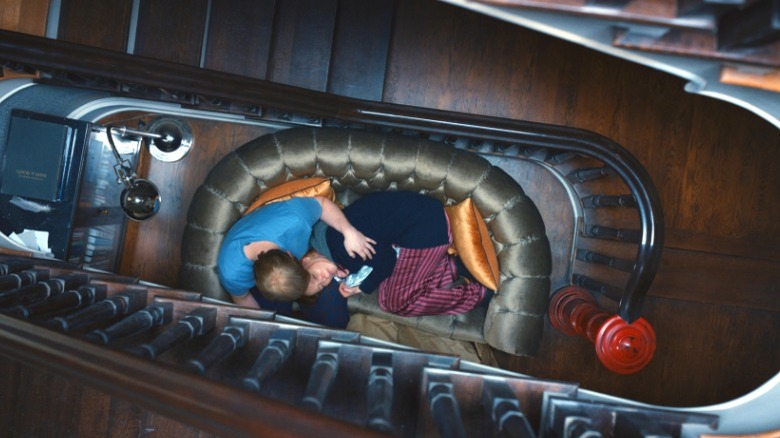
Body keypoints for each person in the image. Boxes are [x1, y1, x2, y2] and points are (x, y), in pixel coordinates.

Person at [298, 191, 489, 318]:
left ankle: (477, 294)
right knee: (392, 287)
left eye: (314, 277)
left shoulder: (340, 247)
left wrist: (362, 287)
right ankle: (450, 268)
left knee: (392, 302)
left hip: (426, 231)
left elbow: (387, 260)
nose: (324, 279)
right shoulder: (326, 234)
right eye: (321, 285)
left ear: (305, 259)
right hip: (425, 222)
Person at [216, 196, 375, 311]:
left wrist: (349, 231)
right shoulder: (233, 274)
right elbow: (242, 298)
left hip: (282, 226)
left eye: (312, 278)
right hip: (260, 282)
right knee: (277, 316)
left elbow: (323, 204)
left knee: (331, 311)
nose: (321, 280)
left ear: (295, 256)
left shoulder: (294, 219)